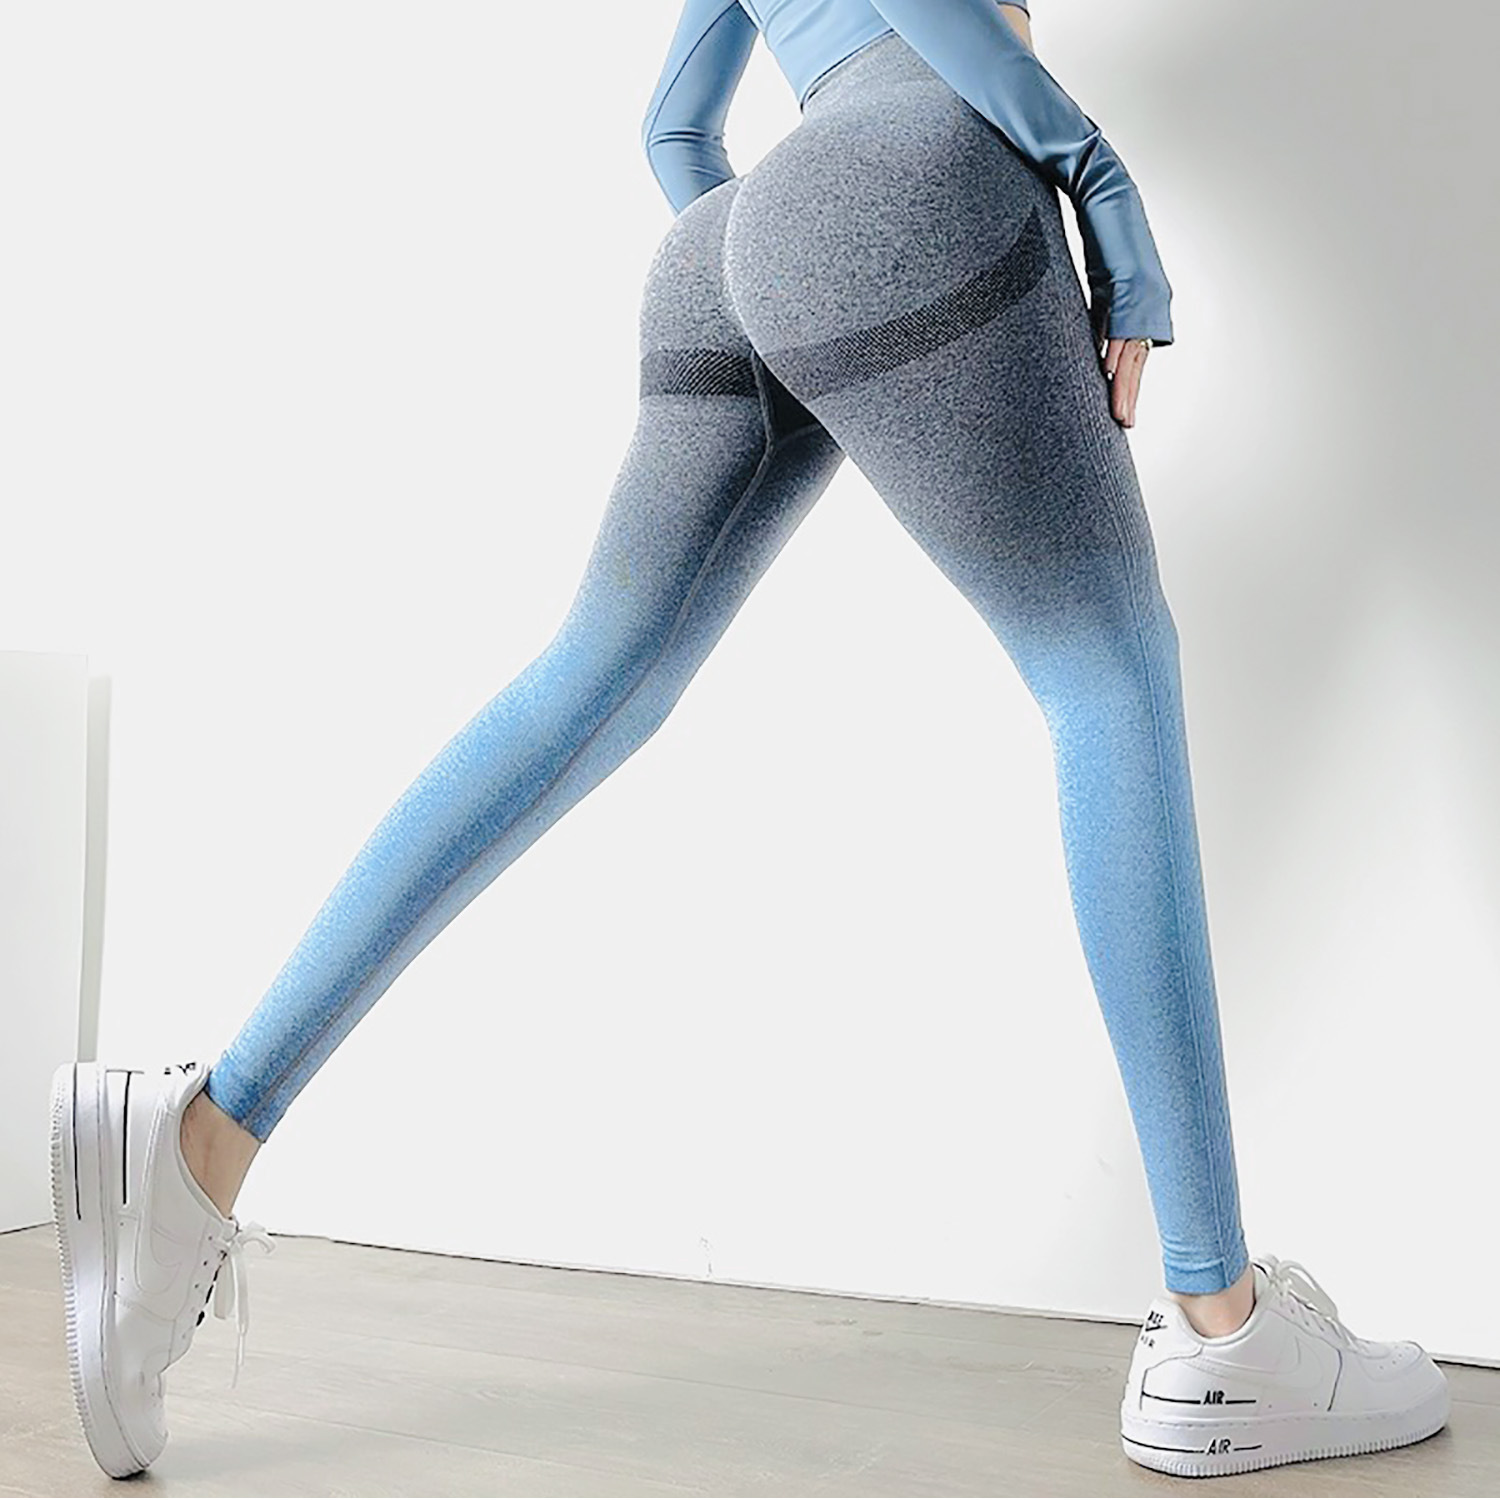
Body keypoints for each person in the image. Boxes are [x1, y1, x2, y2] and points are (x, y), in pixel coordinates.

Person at [49, 0, 1450, 1482]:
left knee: (591, 682)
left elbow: (674, 127)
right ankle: (1224, 1337)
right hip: (918, 175)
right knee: (1107, 672)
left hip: (732, 236)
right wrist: (1091, 170)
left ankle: (197, 1148)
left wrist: (786, 256)